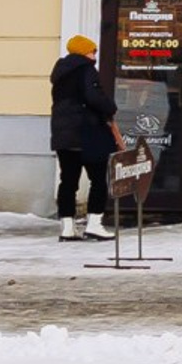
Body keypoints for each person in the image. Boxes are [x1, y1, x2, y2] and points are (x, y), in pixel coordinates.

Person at [50, 34, 118, 239]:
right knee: (98, 178)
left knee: (68, 181)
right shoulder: (86, 70)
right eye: (92, 50)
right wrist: (110, 107)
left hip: (63, 134)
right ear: (83, 51)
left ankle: (67, 227)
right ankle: (94, 224)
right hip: (87, 133)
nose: (94, 54)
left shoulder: (60, 73)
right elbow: (93, 97)